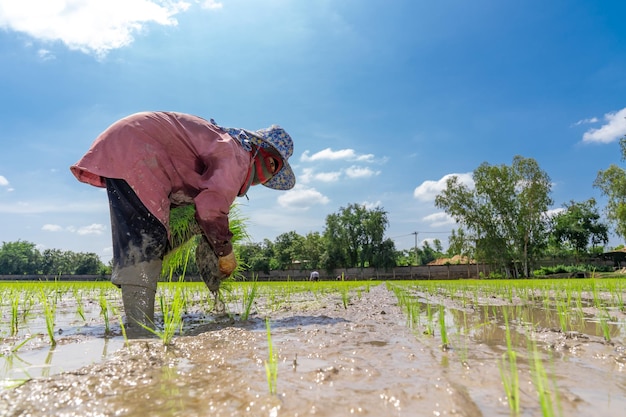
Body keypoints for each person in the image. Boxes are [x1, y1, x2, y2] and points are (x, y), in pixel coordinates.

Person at [70, 111, 295, 335]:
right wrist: (226, 253)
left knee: (157, 233)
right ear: (265, 157)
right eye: (272, 168)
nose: (266, 178)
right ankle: (140, 329)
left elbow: (199, 208)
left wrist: (210, 242)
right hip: (139, 147)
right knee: (146, 236)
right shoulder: (237, 155)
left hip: (131, 143)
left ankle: (140, 310)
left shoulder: (227, 146)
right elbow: (211, 207)